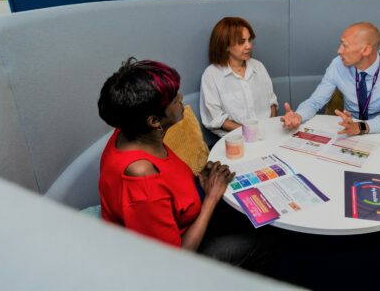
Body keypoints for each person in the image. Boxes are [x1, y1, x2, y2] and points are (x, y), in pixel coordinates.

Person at [98, 58, 272, 270]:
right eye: (173, 99)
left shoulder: (129, 131)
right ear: (154, 122)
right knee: (269, 242)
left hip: (189, 215)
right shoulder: (141, 176)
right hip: (185, 252)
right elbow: (173, 260)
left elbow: (168, 182)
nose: (180, 98)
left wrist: (199, 178)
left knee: (259, 212)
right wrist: (211, 197)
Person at [281, 22, 380, 136]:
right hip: (348, 129)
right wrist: (298, 116)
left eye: (345, 45)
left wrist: (361, 127)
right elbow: (315, 102)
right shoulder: (337, 64)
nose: (339, 51)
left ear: (366, 50)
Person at [200, 17, 278, 137]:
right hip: (236, 139)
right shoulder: (211, 75)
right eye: (242, 42)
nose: (249, 46)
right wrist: (251, 132)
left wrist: (269, 126)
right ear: (225, 46)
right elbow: (216, 119)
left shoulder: (258, 66)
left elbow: (272, 103)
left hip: (268, 133)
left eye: (249, 40)